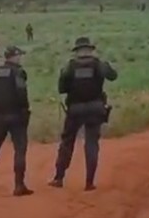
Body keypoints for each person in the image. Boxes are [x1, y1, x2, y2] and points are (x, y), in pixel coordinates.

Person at [48, 37, 118, 190]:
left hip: (75, 109)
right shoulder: (99, 64)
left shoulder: (70, 67)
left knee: (67, 142)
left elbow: (62, 89)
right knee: (91, 144)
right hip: (95, 108)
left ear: (77, 51)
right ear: (90, 50)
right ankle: (89, 182)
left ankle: (59, 178)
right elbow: (113, 76)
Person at [0, 45, 33, 196]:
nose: (20, 58)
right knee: (20, 150)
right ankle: (19, 185)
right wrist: (25, 111)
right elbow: (22, 93)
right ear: (14, 56)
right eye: (19, 55)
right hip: (16, 116)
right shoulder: (18, 72)